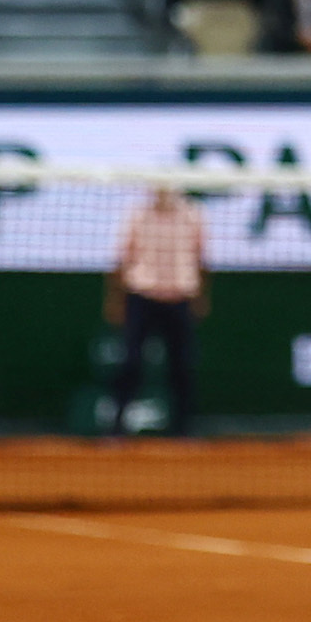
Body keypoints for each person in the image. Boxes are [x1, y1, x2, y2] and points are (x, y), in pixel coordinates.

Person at [107, 185, 207, 436]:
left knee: (182, 364)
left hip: (179, 297)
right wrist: (116, 300)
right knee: (130, 361)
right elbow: (123, 258)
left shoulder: (192, 216)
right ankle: (117, 425)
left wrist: (200, 296)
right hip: (142, 296)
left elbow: (200, 258)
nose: (163, 193)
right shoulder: (138, 216)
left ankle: (183, 428)